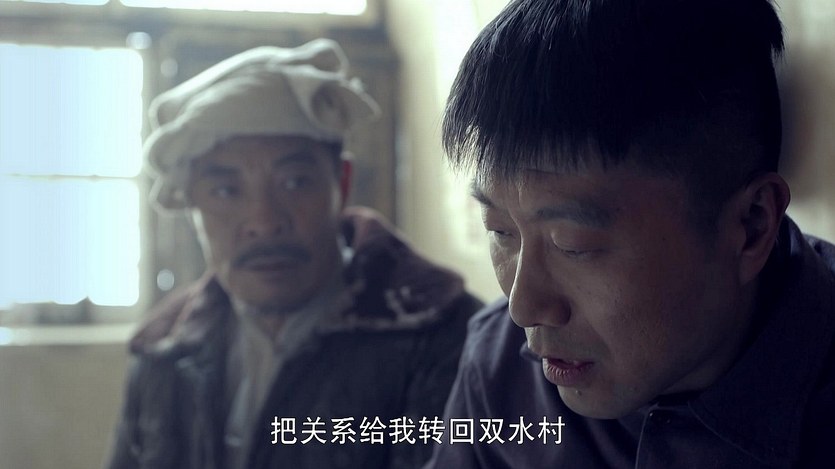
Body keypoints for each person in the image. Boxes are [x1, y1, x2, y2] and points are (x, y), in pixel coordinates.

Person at [424, 0, 835, 467]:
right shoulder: (501, 367)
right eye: (501, 231)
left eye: (573, 246)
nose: (524, 309)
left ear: (751, 226)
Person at [105, 38, 482, 469]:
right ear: (192, 204)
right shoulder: (163, 352)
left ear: (341, 184)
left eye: (295, 182)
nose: (264, 221)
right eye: (226, 190)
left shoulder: (445, 337)